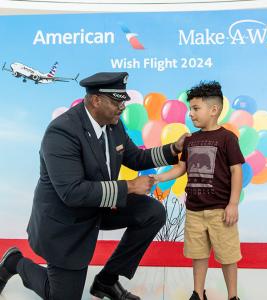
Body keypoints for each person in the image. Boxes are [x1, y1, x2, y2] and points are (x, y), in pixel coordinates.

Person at [0, 71, 188, 300]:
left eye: (123, 101)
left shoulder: (113, 125)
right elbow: (72, 192)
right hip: (66, 222)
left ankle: (106, 281)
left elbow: (135, 158)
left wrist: (174, 149)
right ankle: (15, 262)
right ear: (96, 100)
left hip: (99, 206)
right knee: (61, 296)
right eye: (117, 102)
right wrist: (129, 186)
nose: (122, 107)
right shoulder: (62, 131)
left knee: (152, 212)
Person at [151, 81, 244, 300]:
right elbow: (182, 168)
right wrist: (158, 177)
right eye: (189, 109)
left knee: (228, 255)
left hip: (220, 211)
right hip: (194, 211)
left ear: (214, 110)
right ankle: (197, 292)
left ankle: (233, 296)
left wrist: (232, 204)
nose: (190, 114)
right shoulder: (191, 140)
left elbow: (236, 171)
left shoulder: (227, 138)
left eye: (195, 108)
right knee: (198, 254)